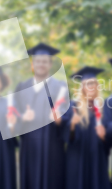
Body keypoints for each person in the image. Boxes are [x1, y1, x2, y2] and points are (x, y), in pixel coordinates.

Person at [12, 43, 71, 189]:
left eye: (44, 61)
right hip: (29, 148)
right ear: (32, 64)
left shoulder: (60, 87)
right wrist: (22, 118)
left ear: (50, 64)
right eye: (37, 61)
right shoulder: (21, 88)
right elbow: (13, 118)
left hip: (53, 148)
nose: (41, 64)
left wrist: (59, 120)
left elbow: (67, 117)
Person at [64, 66, 111, 189]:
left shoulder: (104, 108)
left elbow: (109, 140)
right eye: (87, 84)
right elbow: (66, 135)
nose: (90, 87)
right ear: (82, 88)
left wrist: (104, 137)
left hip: (97, 160)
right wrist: (72, 125)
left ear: (97, 86)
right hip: (77, 159)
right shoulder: (73, 107)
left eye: (93, 83)